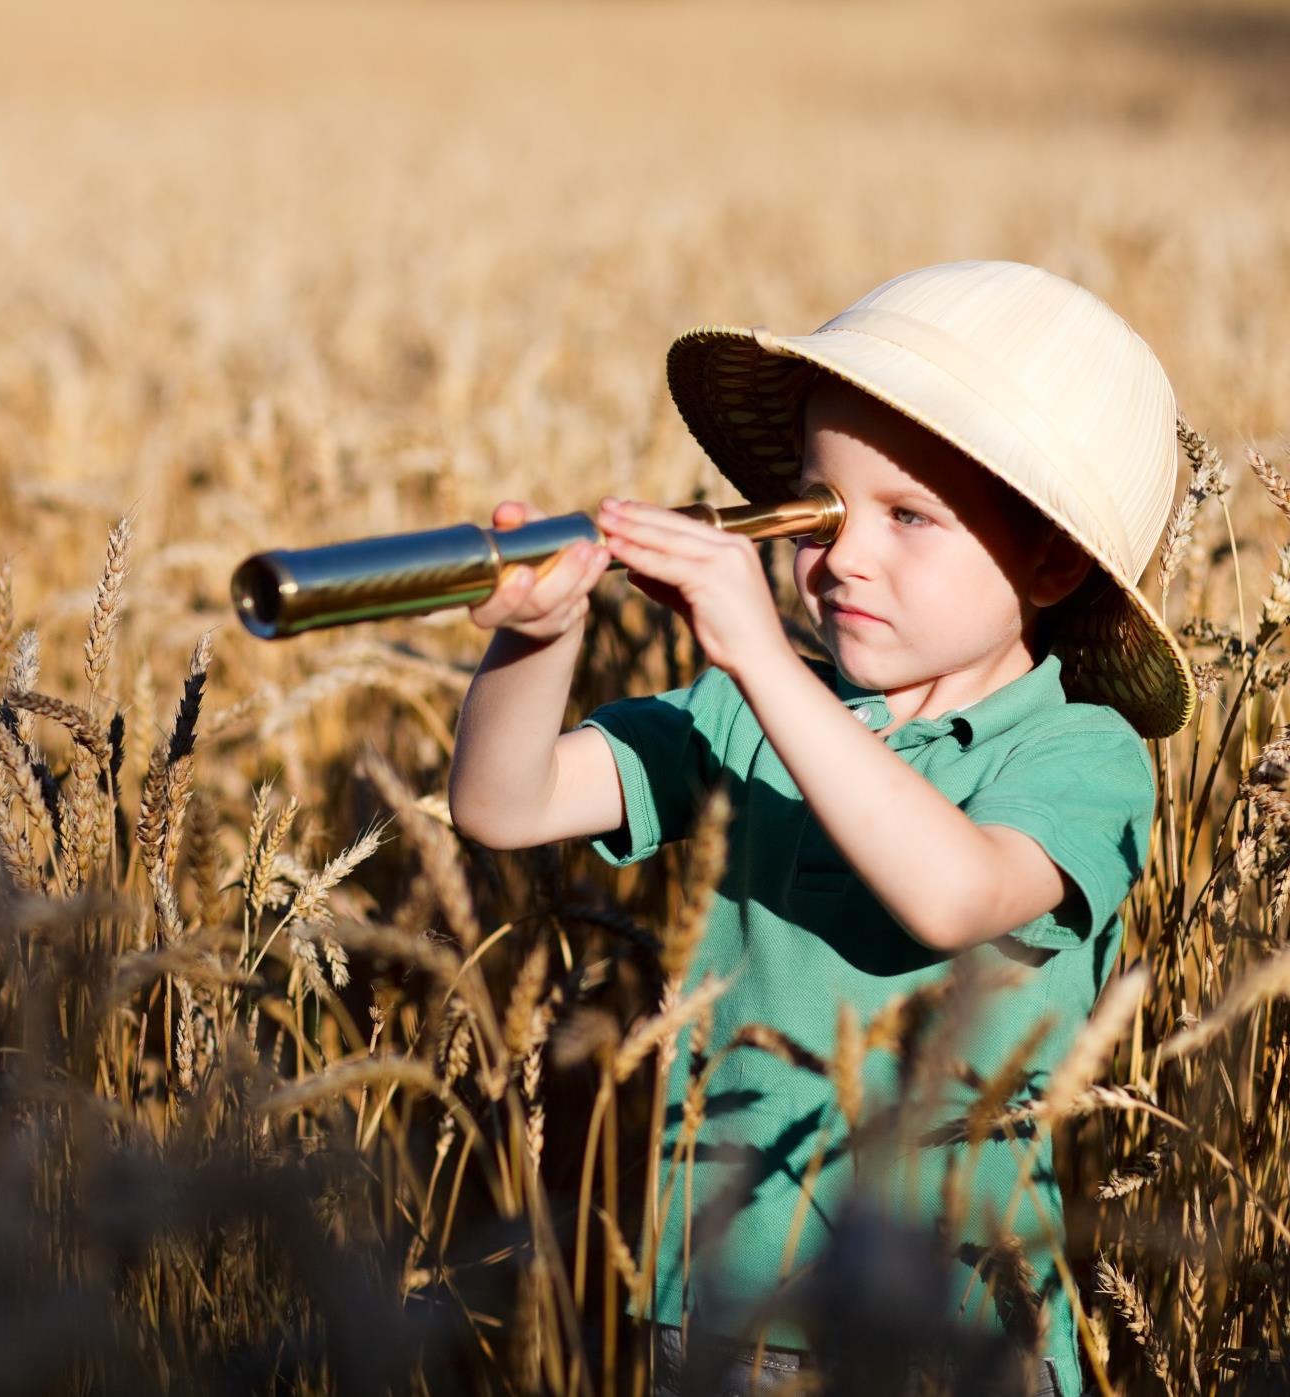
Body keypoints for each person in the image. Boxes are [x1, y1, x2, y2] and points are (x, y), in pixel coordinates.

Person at [445, 260, 1195, 1397]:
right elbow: (503, 805)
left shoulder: (1078, 754)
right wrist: (535, 639)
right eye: (818, 508)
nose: (840, 554)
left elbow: (952, 891)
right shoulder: (738, 714)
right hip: (723, 1310)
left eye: (906, 518)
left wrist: (752, 651)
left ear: (1049, 560)